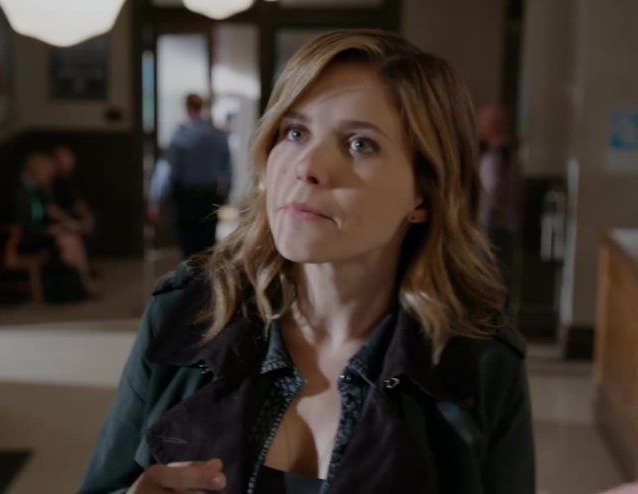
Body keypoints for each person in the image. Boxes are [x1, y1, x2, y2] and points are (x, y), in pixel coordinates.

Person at [80, 30, 534, 493]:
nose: (307, 166)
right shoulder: (187, 313)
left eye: (360, 144)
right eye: (295, 132)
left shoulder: (481, 365)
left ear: (423, 193)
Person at [147, 93, 232, 259]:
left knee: (187, 247)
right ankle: (204, 275)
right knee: (207, 245)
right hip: (209, 195)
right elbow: (228, 170)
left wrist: (156, 199)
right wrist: (226, 194)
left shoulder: (180, 136)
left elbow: (166, 170)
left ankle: (189, 274)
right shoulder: (217, 136)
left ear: (187, 108)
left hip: (186, 197)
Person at [13, 153, 96, 297]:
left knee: (72, 238)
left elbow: (49, 209)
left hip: (40, 232)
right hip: (23, 237)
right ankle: (77, 285)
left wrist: (66, 224)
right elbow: (24, 224)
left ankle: (80, 283)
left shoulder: (36, 190)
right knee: (68, 241)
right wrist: (49, 230)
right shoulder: (21, 192)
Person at [477, 103, 520, 298]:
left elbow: (495, 189)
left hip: (495, 225)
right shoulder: (502, 152)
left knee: (491, 277)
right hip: (499, 224)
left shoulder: (500, 155)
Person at [53, 146, 95, 236]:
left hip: (73, 223)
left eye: (66, 158)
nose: (62, 162)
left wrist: (86, 217)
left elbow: (79, 203)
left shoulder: (73, 180)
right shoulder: (51, 181)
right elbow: (49, 207)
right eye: (59, 158)